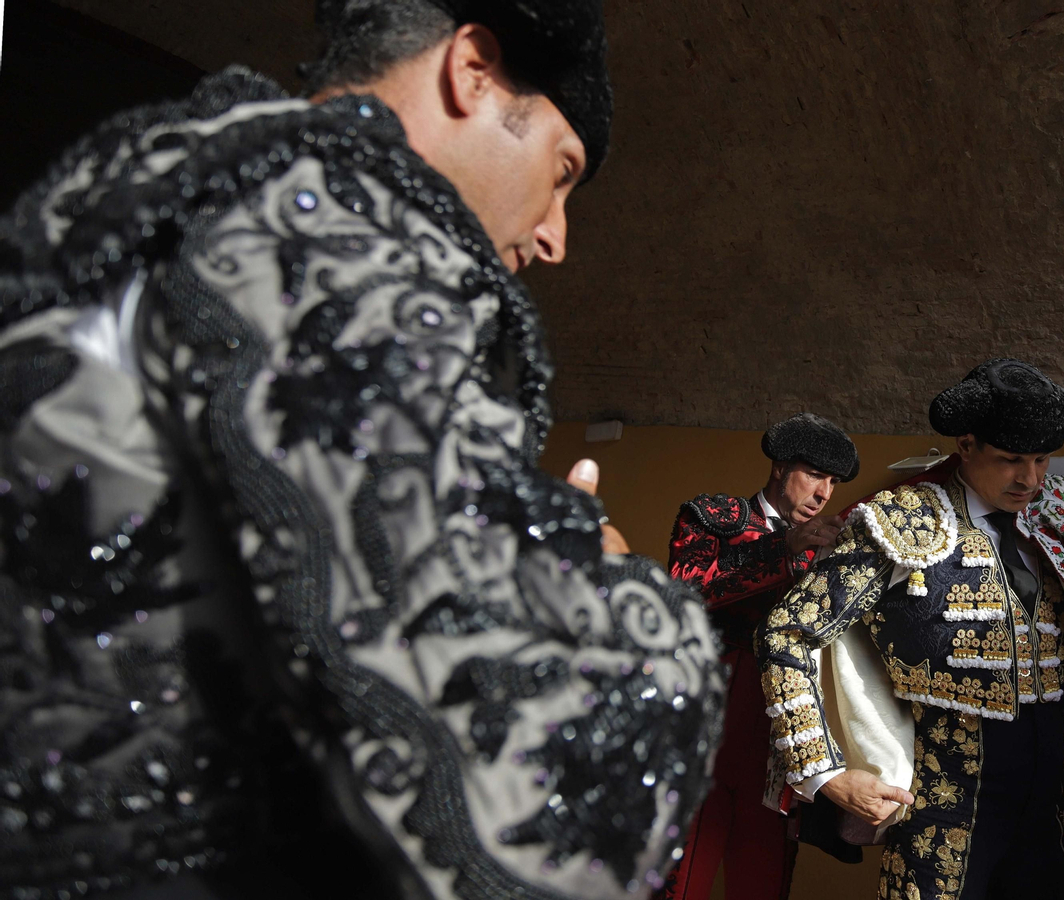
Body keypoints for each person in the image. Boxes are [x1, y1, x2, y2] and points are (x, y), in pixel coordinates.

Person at [0, 2, 724, 899]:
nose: (555, 236)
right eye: (562, 171)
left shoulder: (166, 190)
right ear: (472, 72)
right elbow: (500, 780)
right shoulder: (332, 227)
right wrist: (596, 582)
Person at [757, 359, 1064, 900]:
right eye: (1011, 459)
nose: (1030, 479)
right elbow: (785, 632)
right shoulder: (905, 518)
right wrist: (823, 773)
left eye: (1040, 459)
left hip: (1050, 793)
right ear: (966, 445)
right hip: (942, 792)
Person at [660, 413, 859, 900]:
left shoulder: (825, 544)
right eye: (814, 475)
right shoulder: (713, 516)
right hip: (707, 715)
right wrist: (782, 548)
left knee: (763, 880)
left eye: (833, 483)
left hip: (784, 727)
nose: (823, 494)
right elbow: (684, 593)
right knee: (679, 880)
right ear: (779, 467)